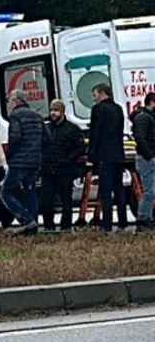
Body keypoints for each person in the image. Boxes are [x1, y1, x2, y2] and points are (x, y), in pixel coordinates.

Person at [1, 90, 44, 235]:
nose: (8, 105)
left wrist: (9, 155)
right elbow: (47, 138)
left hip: (19, 162)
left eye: (9, 102)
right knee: (30, 192)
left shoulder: (15, 116)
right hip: (35, 162)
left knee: (6, 192)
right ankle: (33, 225)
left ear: (15, 101)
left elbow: (15, 138)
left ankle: (26, 220)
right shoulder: (38, 116)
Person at [88, 83, 128, 232]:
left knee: (105, 191)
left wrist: (91, 154)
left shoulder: (98, 110)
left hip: (104, 155)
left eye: (95, 95)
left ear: (102, 93)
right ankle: (123, 222)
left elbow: (95, 132)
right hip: (118, 154)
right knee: (119, 189)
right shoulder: (118, 109)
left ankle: (107, 224)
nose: (94, 99)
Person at [40, 99, 84, 231]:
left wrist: (68, 159)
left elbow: (80, 147)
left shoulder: (72, 129)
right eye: (52, 110)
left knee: (66, 201)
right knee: (47, 201)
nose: (53, 113)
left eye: (56, 110)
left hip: (65, 171)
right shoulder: (46, 128)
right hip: (48, 170)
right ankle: (49, 226)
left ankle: (66, 226)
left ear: (63, 112)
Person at [131, 93, 155, 231]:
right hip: (146, 159)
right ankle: (143, 219)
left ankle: (147, 218)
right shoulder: (143, 118)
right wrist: (149, 154)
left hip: (148, 157)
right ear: (152, 102)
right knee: (149, 191)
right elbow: (140, 138)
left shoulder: (145, 117)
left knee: (151, 191)